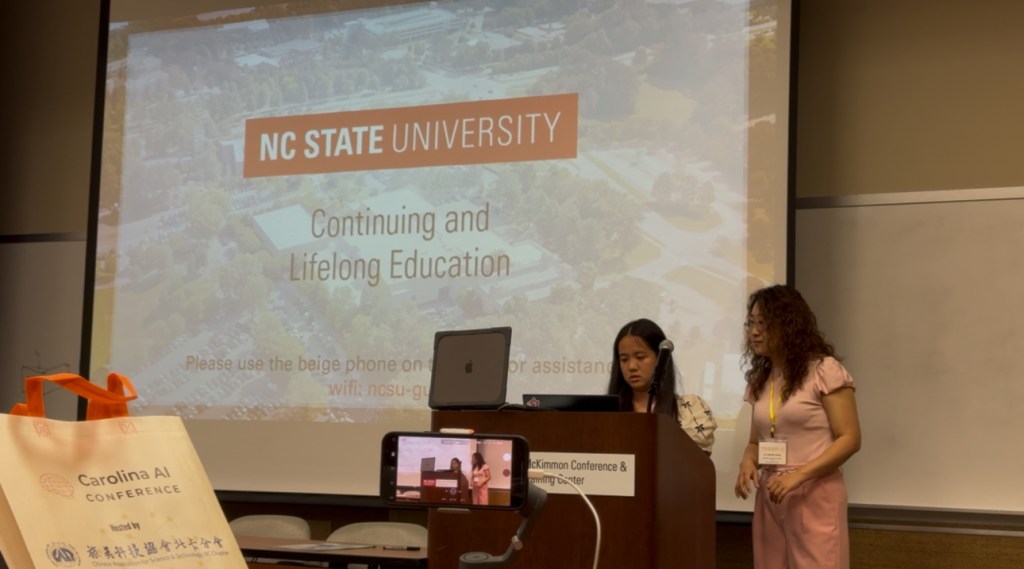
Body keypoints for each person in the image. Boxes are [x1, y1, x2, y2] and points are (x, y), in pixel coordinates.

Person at [733, 285, 862, 569]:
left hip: (814, 492)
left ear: (788, 324)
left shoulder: (823, 370)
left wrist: (799, 476)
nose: (755, 331)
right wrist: (747, 460)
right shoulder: (760, 379)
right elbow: (755, 442)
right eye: (752, 323)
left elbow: (850, 438)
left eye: (764, 323)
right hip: (772, 493)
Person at [607, 318, 716, 454]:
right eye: (624, 359)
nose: (632, 366)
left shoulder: (689, 410)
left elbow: (697, 466)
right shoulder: (606, 413)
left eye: (640, 357)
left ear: (660, 360)